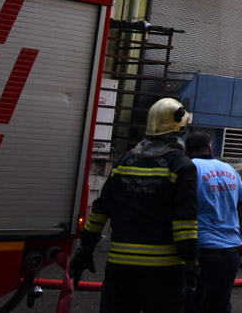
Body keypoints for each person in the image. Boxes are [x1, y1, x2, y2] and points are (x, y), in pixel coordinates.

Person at [69, 97, 199, 313]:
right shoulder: (180, 166)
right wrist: (192, 265)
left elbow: (99, 213)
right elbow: (184, 223)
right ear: (179, 128)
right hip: (162, 272)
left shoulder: (123, 162)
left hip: (120, 269)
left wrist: (84, 252)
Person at [186, 130, 242, 313]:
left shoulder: (189, 168)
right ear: (210, 147)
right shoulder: (229, 169)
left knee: (193, 303)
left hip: (202, 250)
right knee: (220, 305)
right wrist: (241, 240)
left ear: (186, 150)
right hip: (230, 251)